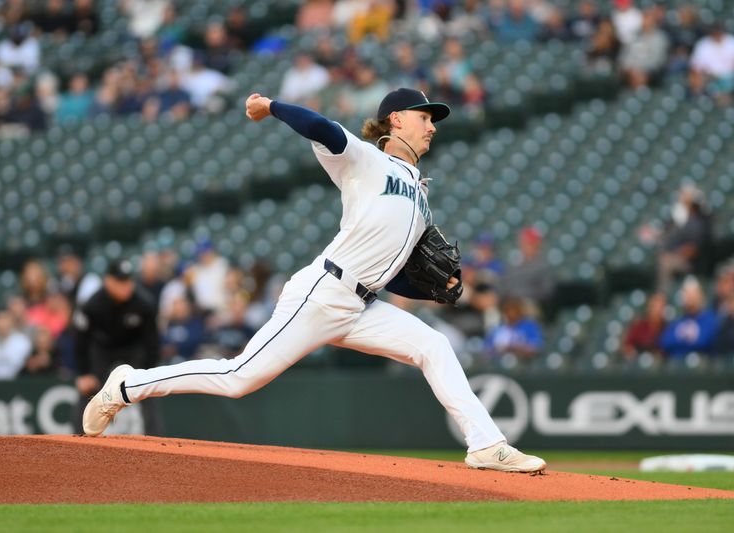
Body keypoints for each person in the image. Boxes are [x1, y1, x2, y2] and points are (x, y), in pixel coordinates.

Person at [82, 87, 546, 472]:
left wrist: (432, 289)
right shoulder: (365, 159)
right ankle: (127, 385)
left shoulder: (421, 195)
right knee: (238, 378)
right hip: (323, 293)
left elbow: (395, 272)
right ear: (396, 120)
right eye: (425, 117)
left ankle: (485, 444)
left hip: (363, 304)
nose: (433, 126)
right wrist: (272, 107)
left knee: (434, 346)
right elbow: (321, 128)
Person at [72, 259, 162, 434]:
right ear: (108, 281)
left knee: (148, 387)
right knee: (89, 386)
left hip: (133, 349)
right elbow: (80, 339)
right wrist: (83, 373)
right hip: (103, 348)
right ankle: (79, 437)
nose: (126, 286)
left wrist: (149, 371)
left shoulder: (144, 304)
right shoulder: (92, 304)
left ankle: (157, 440)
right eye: (120, 281)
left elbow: (152, 343)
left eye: (128, 281)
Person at [620, 292, 666, 359]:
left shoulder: (667, 327)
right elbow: (627, 346)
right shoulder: (639, 326)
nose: (657, 310)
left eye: (661, 307)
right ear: (649, 307)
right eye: (655, 306)